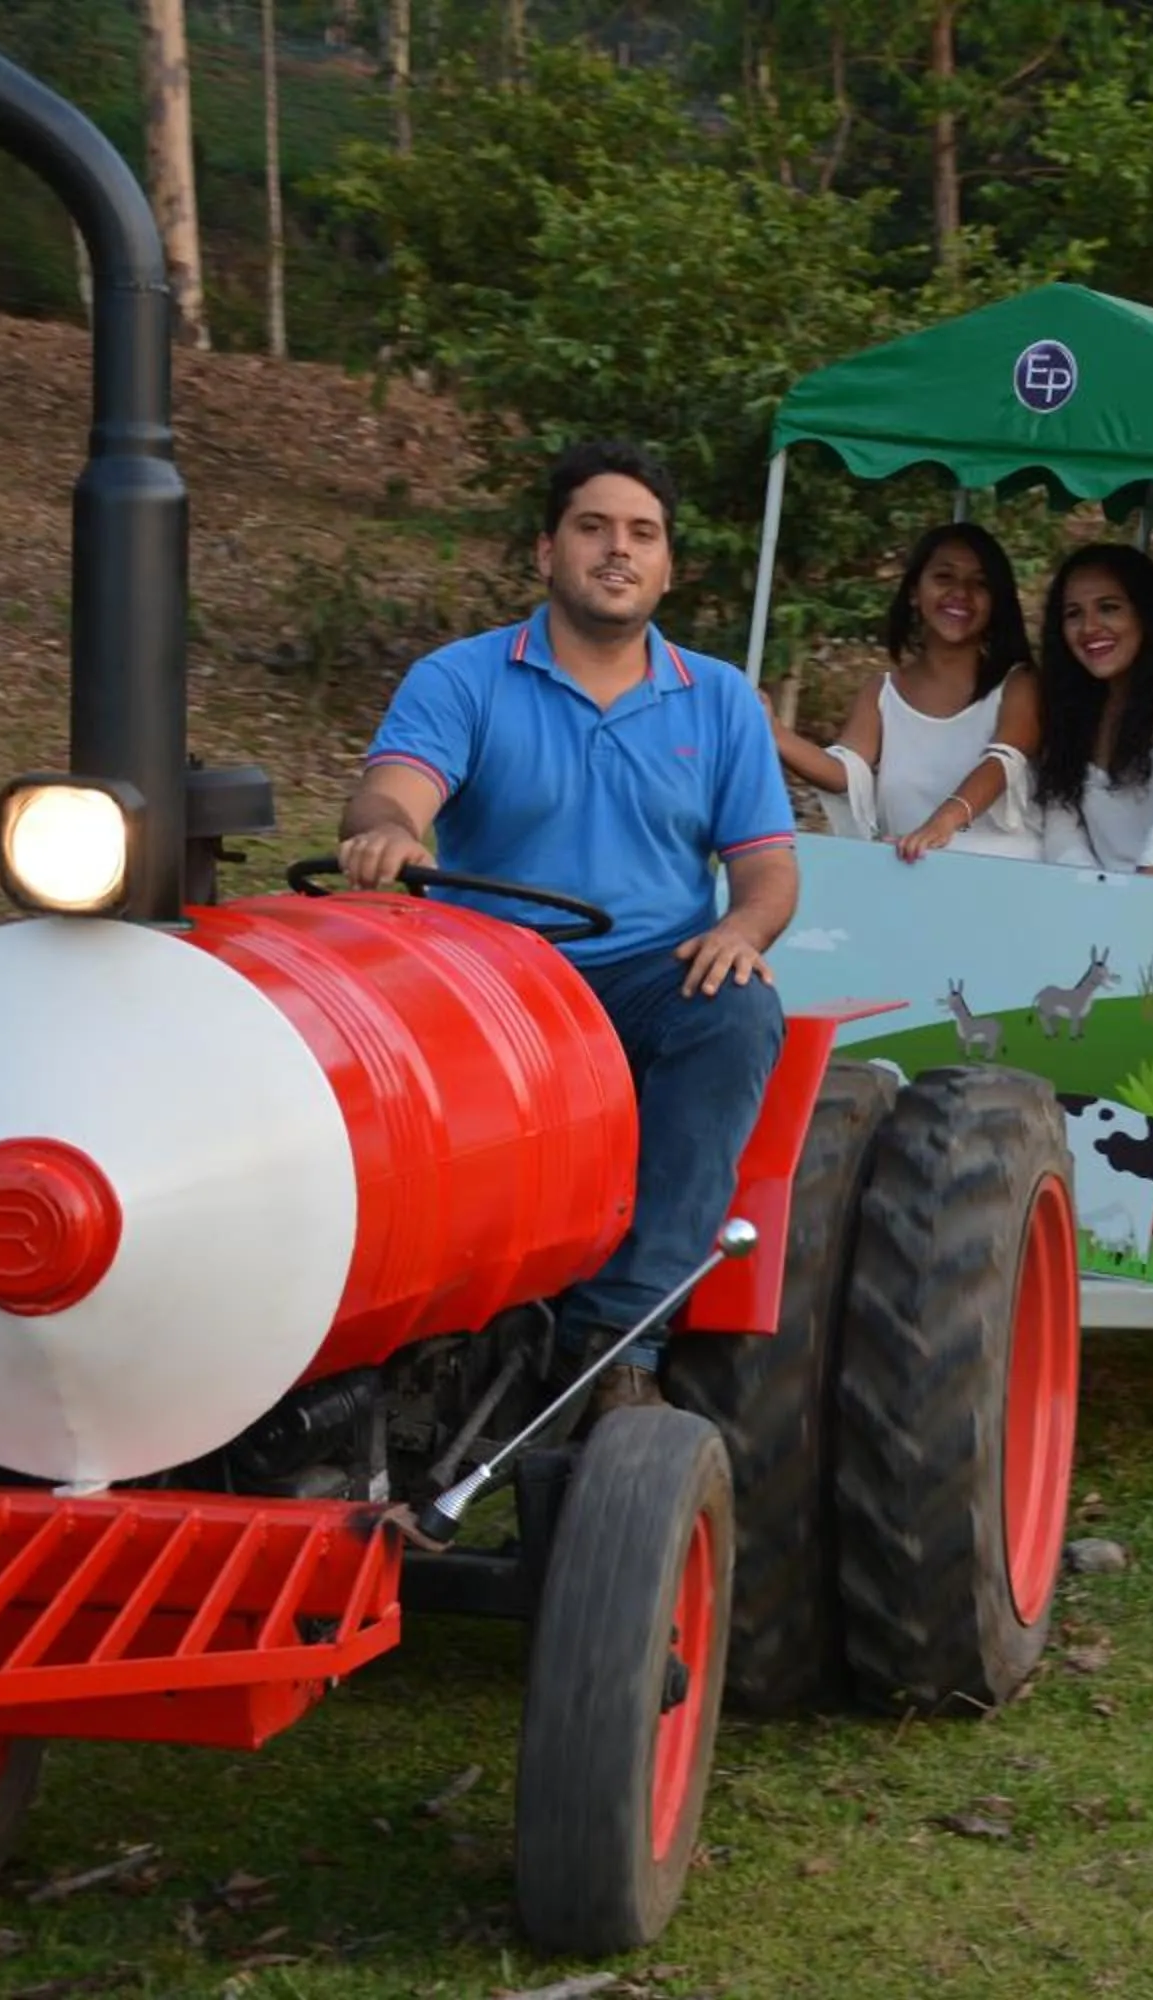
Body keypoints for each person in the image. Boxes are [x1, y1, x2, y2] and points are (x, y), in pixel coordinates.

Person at [338, 442, 793, 1422]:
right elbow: (394, 791)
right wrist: (384, 832)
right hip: (490, 982)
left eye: (642, 533)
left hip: (642, 974)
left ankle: (617, 1339)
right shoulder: (462, 678)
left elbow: (767, 871)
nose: (617, 550)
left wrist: (743, 928)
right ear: (548, 552)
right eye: (593, 527)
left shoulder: (717, 699)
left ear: (669, 566)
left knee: (738, 1009)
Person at [767, 522, 1042, 862]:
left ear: (996, 602)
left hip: (1008, 885)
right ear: (914, 592)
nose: (961, 593)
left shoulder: (1019, 683)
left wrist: (944, 822)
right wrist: (774, 732)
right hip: (912, 883)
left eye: (980, 583)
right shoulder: (881, 692)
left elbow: (1003, 762)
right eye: (944, 577)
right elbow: (844, 775)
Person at [1030, 544, 1153, 876]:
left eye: (1108, 608)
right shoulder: (1073, 703)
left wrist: (1134, 905)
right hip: (1098, 906)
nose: (1089, 627)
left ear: (1145, 614)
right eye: (1073, 613)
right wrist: (1091, 895)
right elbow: (1061, 824)